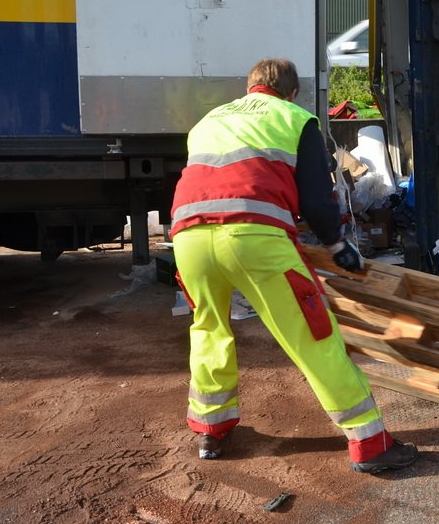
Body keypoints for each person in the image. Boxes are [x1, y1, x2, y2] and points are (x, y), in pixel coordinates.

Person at [170, 57, 417, 473]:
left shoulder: (208, 121)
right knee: (313, 334)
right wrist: (337, 243)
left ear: (249, 87)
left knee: (208, 327)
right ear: (292, 92)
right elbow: (317, 200)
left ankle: (211, 429)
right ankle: (369, 442)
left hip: (188, 236)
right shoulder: (294, 118)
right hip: (251, 236)